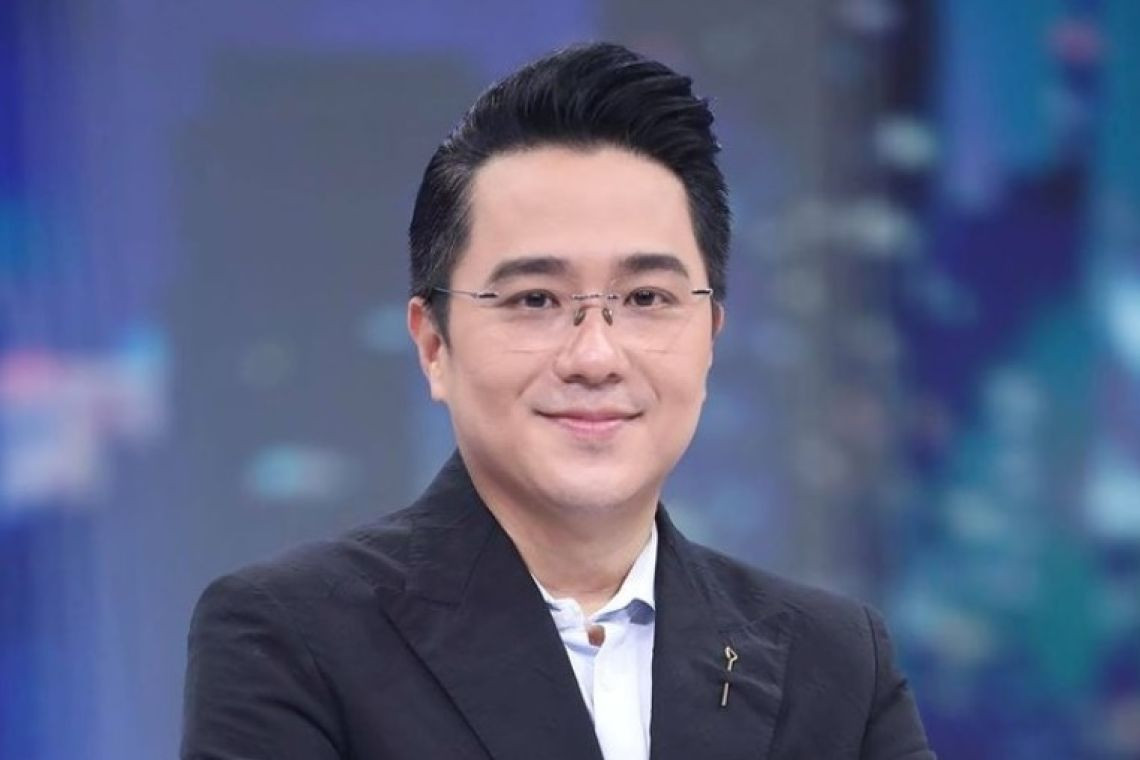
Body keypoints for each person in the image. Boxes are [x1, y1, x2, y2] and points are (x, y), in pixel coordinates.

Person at [181, 42, 934, 760]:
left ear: (710, 337)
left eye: (646, 298)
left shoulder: (835, 661)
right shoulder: (292, 637)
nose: (595, 357)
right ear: (434, 344)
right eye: (535, 299)